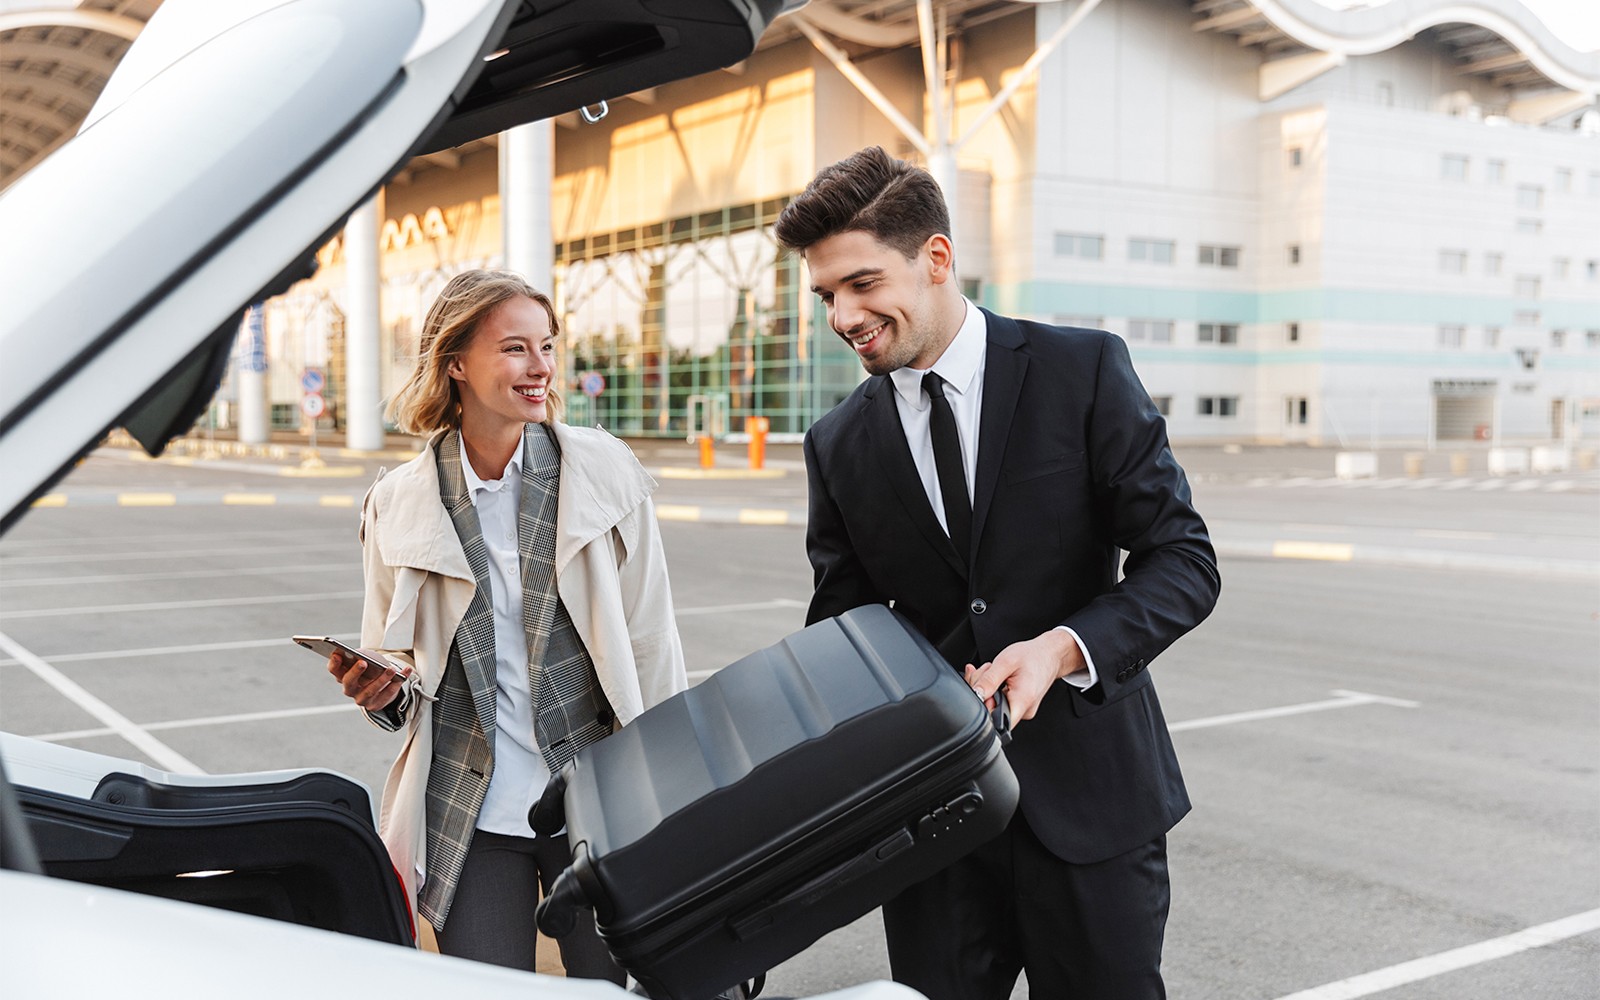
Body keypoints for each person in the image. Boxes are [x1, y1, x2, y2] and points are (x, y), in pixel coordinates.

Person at [775, 147, 1221, 999]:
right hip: (931, 832)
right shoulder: (836, 443)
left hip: (1092, 811)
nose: (842, 315)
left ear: (936, 258)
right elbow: (846, 634)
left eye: (863, 284)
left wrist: (1062, 649)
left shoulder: (1081, 371)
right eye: (827, 295)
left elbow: (1184, 561)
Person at [326, 269, 686, 979]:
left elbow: (652, 641)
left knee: (622, 987)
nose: (540, 368)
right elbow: (396, 673)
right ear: (455, 363)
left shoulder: (603, 473)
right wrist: (379, 691)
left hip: (597, 795)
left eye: (546, 346)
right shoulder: (396, 504)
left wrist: (673, 791)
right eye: (515, 348)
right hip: (472, 808)